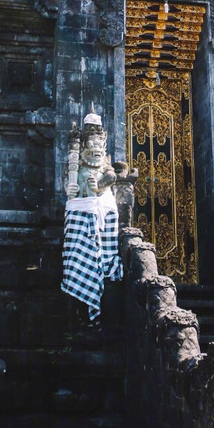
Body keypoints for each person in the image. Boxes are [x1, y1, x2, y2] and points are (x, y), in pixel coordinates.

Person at [61, 113, 122, 323]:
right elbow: (67, 186)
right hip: (81, 213)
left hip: (100, 212)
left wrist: (103, 184)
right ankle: (80, 300)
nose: (96, 147)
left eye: (100, 142)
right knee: (78, 255)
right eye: (92, 142)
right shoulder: (75, 163)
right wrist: (70, 187)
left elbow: (112, 176)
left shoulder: (105, 163)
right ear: (84, 144)